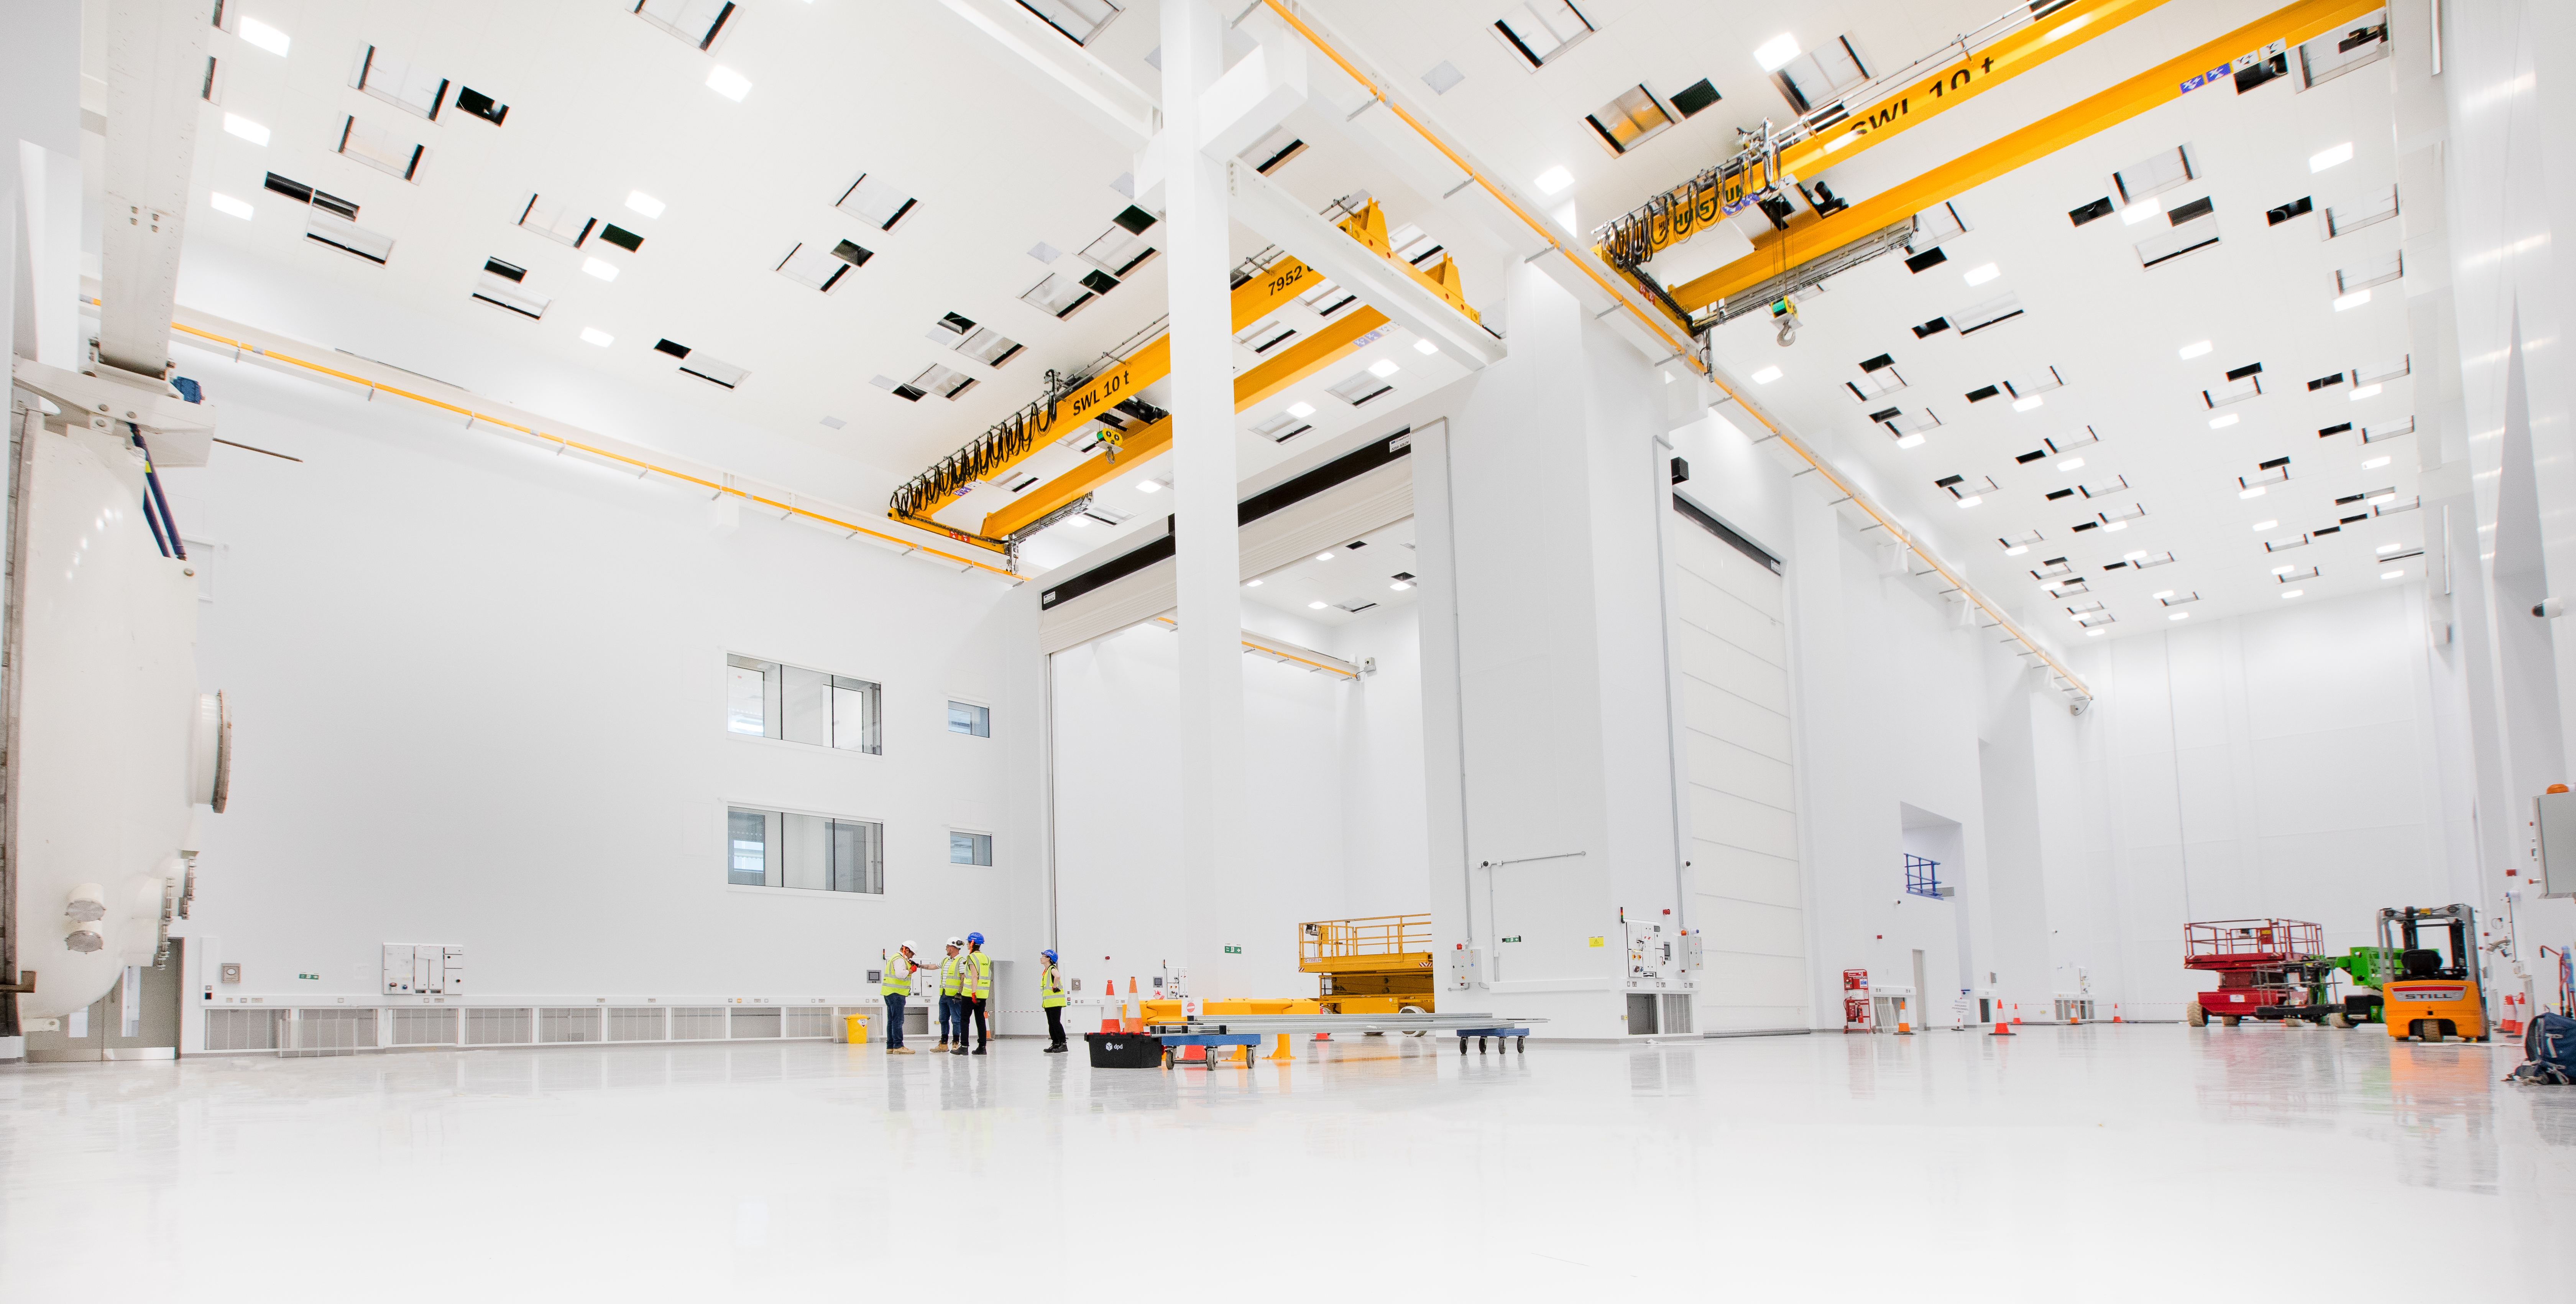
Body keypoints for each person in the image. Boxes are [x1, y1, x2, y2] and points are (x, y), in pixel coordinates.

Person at [952, 932, 992, 1056]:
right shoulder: (987, 958)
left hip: (971, 994)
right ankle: (982, 1047)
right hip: (984, 994)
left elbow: (975, 976)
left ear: (972, 943)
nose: (968, 944)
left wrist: (973, 994)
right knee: (980, 1020)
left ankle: (964, 1047)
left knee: (965, 1019)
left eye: (969, 942)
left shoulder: (972, 958)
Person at [881, 941, 921, 1054]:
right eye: (911, 953)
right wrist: (911, 971)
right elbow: (900, 974)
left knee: (892, 1021)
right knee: (898, 1021)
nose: (912, 956)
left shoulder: (895, 958)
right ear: (906, 950)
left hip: (889, 993)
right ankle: (899, 1046)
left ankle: (891, 1047)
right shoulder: (899, 959)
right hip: (896, 994)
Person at [934, 937, 965, 1052]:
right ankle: (943, 1044)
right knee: (943, 1019)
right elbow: (934, 967)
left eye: (948, 947)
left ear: (953, 948)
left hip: (955, 997)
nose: (946, 948)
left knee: (956, 1020)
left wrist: (959, 993)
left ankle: (956, 1043)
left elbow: (963, 978)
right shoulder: (946, 961)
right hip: (944, 996)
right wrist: (919, 966)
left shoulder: (961, 961)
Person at [1038, 949, 1070, 1052]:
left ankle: (1063, 1043)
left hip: (1055, 1003)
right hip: (1049, 1003)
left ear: (1048, 959)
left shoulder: (1052, 968)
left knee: (1056, 1023)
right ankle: (1056, 1043)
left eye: (1043, 956)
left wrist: (1055, 986)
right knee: (1051, 1024)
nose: (1041, 958)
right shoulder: (1046, 971)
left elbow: (1058, 976)